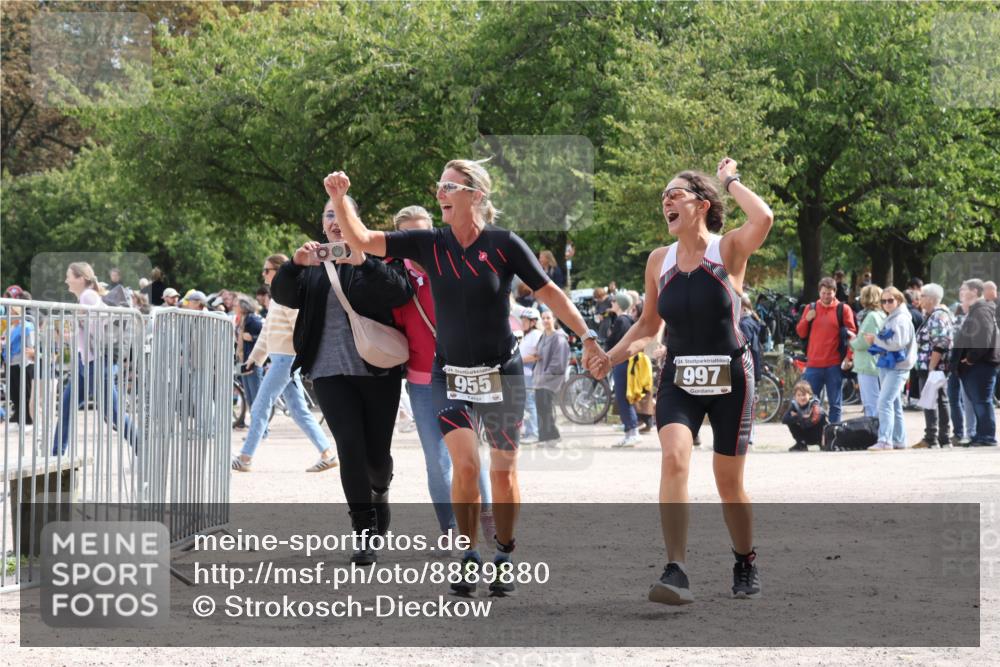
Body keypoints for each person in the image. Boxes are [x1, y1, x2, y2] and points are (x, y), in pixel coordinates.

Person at [325, 159, 606, 597]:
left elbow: (549, 292)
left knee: (503, 472)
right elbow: (361, 239)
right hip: (449, 373)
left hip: (502, 373)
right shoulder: (428, 243)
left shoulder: (504, 244)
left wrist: (587, 337)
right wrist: (340, 199)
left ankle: (505, 553)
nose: (440, 193)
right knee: (465, 464)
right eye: (439, 185)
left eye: (450, 186)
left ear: (476, 195)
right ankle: (469, 553)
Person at [591, 157, 774, 604]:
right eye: (663, 197)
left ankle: (745, 559)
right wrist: (609, 359)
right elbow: (648, 326)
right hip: (680, 378)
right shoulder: (659, 260)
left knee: (728, 482)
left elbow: (764, 217)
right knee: (673, 459)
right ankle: (676, 569)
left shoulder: (728, 250)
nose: (666, 202)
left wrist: (730, 180)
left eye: (675, 194)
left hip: (731, 377)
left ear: (702, 204)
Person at [270, 195, 414, 564]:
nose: (335, 220)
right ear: (322, 224)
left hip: (377, 371)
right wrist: (293, 266)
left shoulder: (376, 255)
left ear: (355, 220)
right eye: (329, 214)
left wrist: (364, 261)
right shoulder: (313, 265)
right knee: (349, 447)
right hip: (327, 371)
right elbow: (283, 296)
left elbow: (400, 292)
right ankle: (363, 532)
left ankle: (380, 489)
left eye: (342, 213)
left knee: (376, 458)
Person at [387, 206, 495, 552]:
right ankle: (449, 527)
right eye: (407, 235)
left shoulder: (454, 264)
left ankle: (488, 520)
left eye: (421, 232)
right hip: (421, 382)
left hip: (464, 374)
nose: (415, 241)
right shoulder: (391, 276)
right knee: (437, 461)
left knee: (471, 454)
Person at [231, 254, 338, 473]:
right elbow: (266, 333)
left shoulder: (287, 297)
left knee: (260, 406)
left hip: (285, 360)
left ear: (279, 271)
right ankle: (327, 454)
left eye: (267, 270)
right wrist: (254, 360)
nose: (263, 274)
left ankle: (245, 457)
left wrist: (297, 360)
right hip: (283, 359)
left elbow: (300, 330)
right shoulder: (277, 298)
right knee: (298, 411)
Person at [54, 262, 136, 455]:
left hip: (96, 364)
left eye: (69, 276)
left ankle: (143, 445)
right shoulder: (85, 297)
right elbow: (85, 337)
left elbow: (101, 326)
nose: (66, 280)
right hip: (86, 364)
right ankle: (56, 455)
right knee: (66, 407)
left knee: (114, 414)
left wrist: (83, 318)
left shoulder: (88, 296)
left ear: (81, 278)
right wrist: (66, 336)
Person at [795, 276, 858, 424]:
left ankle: (833, 433)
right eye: (823, 293)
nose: (826, 296)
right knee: (809, 403)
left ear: (835, 292)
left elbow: (852, 335)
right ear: (819, 292)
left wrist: (849, 357)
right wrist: (807, 319)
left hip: (834, 365)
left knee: (835, 404)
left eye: (829, 293)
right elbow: (801, 333)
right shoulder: (810, 308)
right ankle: (812, 434)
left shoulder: (843, 309)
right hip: (813, 364)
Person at [865, 286, 917, 450]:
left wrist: (875, 340)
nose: (886, 304)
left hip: (898, 366)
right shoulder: (893, 317)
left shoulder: (900, 319)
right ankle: (899, 440)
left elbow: (897, 344)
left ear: (899, 300)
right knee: (893, 403)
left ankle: (885, 440)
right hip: (889, 364)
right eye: (883, 301)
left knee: (884, 401)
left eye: (890, 300)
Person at [952, 279, 999, 447]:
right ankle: (981, 435)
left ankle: (986, 436)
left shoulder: (981, 310)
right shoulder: (977, 310)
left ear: (974, 291)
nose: (961, 292)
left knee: (982, 401)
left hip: (981, 365)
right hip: (977, 365)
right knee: (978, 401)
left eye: (964, 289)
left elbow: (983, 338)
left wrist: (971, 358)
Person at [910, 283, 953, 448]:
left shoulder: (937, 316)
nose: (919, 299)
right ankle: (938, 437)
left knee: (935, 400)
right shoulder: (932, 315)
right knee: (936, 400)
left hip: (934, 367)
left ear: (931, 299)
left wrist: (931, 366)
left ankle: (934, 438)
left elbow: (940, 342)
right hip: (931, 366)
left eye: (922, 296)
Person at [605, 292, 641, 448]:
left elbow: (614, 342)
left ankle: (632, 432)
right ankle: (630, 432)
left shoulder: (621, 321)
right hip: (627, 362)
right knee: (625, 397)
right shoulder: (628, 320)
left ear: (619, 304)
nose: (611, 303)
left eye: (614, 301)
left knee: (623, 397)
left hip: (621, 362)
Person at [849, 284, 886, 418]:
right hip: (874, 362)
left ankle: (874, 428)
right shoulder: (881, 315)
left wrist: (852, 341)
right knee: (874, 401)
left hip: (867, 363)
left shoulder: (871, 317)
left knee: (871, 402)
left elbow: (864, 341)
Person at [535, 309, 570, 446]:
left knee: (545, 408)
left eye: (548, 318)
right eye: (543, 318)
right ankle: (546, 438)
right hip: (541, 379)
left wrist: (545, 375)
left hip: (551, 380)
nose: (545, 321)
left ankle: (553, 437)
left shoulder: (559, 338)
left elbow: (559, 362)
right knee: (541, 408)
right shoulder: (543, 336)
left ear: (554, 319)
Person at [3, 304, 35, 430]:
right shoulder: (10, 328)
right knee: (14, 394)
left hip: (23, 364)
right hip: (10, 363)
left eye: (11, 312)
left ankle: (28, 421)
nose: (9, 315)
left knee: (25, 393)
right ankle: (19, 419)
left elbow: (31, 345)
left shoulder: (27, 326)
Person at [234, 296, 264, 429]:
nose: (234, 307)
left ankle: (261, 429)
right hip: (243, 362)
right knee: (250, 398)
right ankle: (255, 428)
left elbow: (265, 336)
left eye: (237, 305)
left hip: (253, 362)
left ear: (243, 307)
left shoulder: (253, 319)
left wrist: (252, 337)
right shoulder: (242, 319)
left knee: (256, 398)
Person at [518, 307, 542, 444]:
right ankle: (528, 431)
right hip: (524, 373)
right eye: (522, 320)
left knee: (530, 404)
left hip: (529, 373)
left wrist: (519, 360)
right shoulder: (528, 335)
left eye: (525, 320)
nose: (522, 323)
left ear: (533, 322)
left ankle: (533, 433)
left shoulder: (536, 335)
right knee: (526, 404)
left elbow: (538, 355)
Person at [782, 381, 827, 451]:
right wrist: (800, 417)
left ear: (810, 395)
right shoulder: (794, 405)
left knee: (821, 420)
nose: (801, 398)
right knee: (791, 421)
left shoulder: (814, 404)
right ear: (795, 397)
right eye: (798, 395)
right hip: (805, 434)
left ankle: (823, 444)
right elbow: (784, 420)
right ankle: (801, 444)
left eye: (804, 395)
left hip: (817, 435)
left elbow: (812, 421)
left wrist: (799, 418)